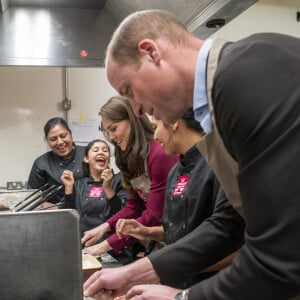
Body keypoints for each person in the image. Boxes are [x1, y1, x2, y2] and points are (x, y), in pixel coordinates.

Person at [83, 9, 300, 300]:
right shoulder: (219, 102)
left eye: (129, 90)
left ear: (150, 52)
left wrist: (181, 298)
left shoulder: (245, 74)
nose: (135, 109)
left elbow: (281, 259)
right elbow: (229, 223)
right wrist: (134, 273)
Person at [116, 108, 244, 288]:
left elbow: (233, 244)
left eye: (155, 127)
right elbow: (177, 231)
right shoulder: (175, 171)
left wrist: (171, 267)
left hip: (210, 286)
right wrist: (145, 231)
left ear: (174, 122)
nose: (155, 136)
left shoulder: (219, 164)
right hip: (175, 284)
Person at [81, 95, 178, 260]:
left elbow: (154, 215)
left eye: (114, 128)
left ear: (132, 120)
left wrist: (105, 245)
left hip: (175, 235)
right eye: (107, 132)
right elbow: (135, 206)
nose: (111, 137)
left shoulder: (158, 154)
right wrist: (104, 227)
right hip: (159, 240)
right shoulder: (133, 158)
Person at [60, 139, 128, 237]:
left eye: (105, 150)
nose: (101, 152)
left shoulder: (119, 180)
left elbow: (124, 213)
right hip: (84, 241)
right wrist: (68, 188)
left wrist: (108, 187)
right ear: (86, 159)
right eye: (96, 150)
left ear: (109, 158)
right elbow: (66, 218)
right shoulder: (78, 184)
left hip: (111, 242)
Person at [27, 117, 85, 209]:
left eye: (63, 136)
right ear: (47, 141)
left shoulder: (88, 154)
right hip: (56, 215)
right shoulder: (41, 163)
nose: (60, 142)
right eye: (53, 139)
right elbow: (32, 198)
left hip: (90, 213)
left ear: (70, 134)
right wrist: (59, 211)